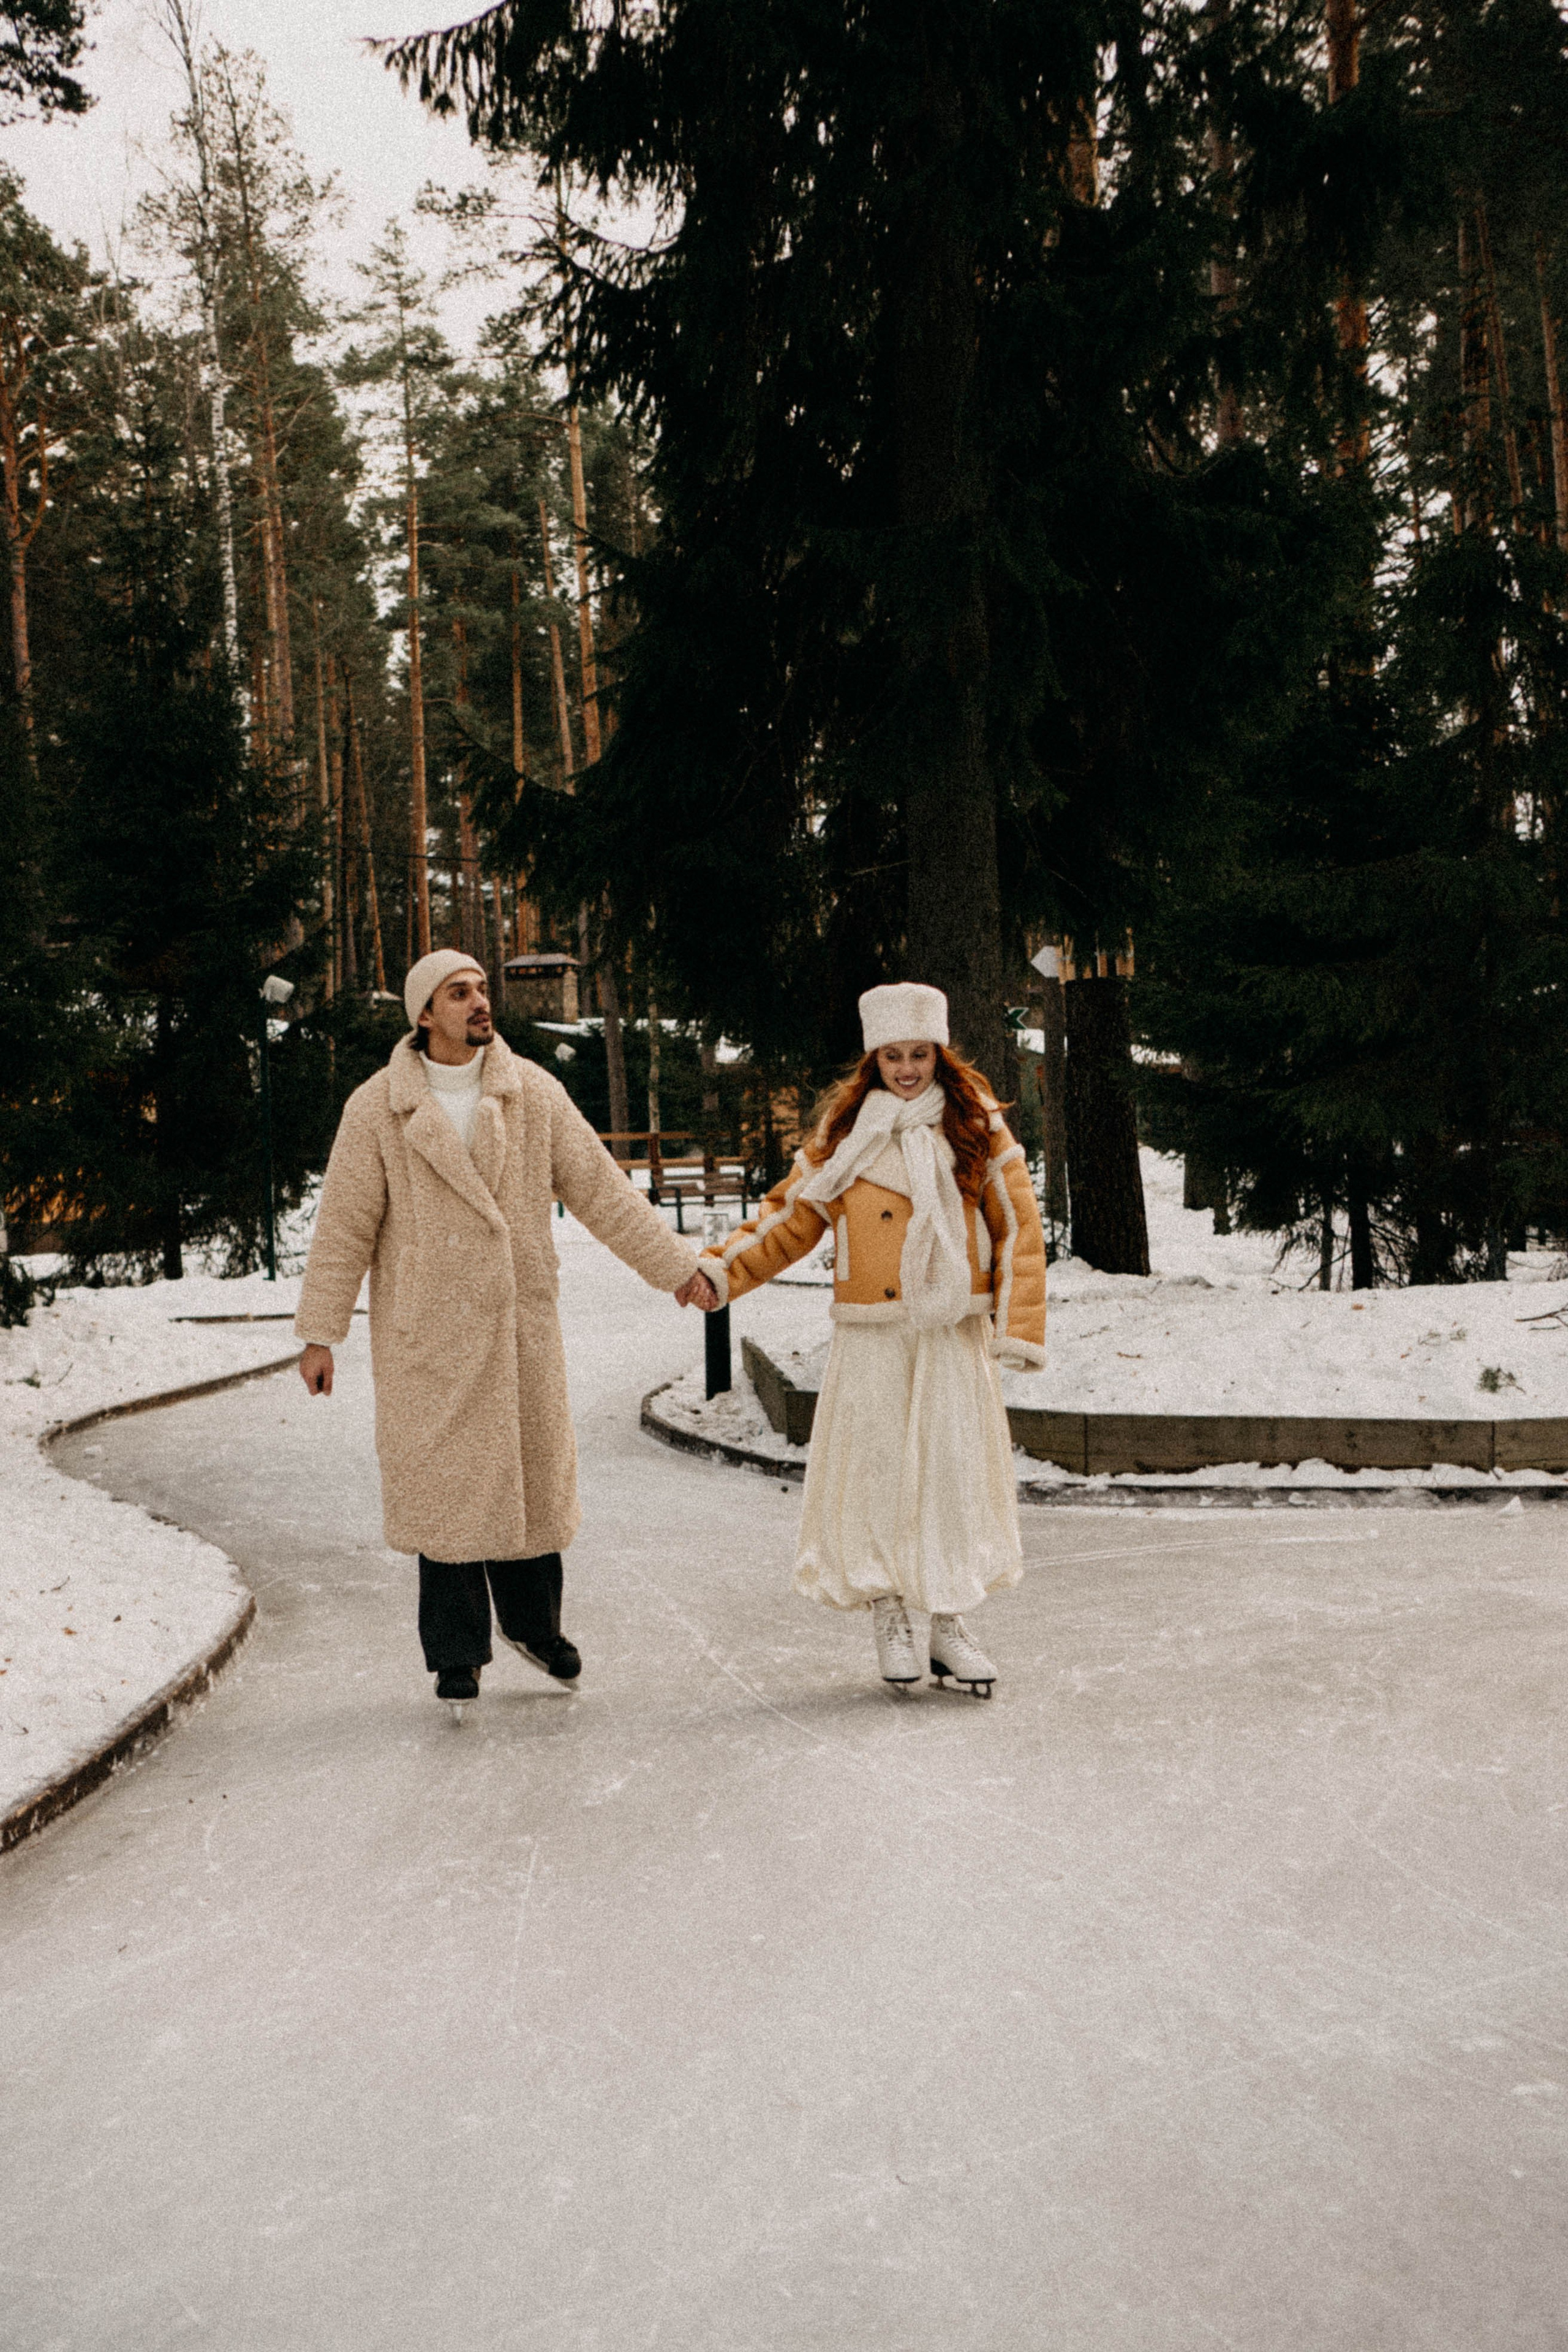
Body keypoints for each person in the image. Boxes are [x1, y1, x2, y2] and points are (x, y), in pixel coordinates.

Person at [295, 948, 713, 1719]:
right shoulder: (379, 1108)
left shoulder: (534, 1096)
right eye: (460, 994)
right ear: (426, 1015)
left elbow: (604, 1195)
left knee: (527, 1482)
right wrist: (321, 1334)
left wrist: (677, 1269)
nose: (480, 1002)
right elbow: (344, 1228)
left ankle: (535, 1629)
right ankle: (457, 1655)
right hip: (429, 1336)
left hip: (517, 1326)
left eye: (483, 989)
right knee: (446, 1499)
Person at [693, 983, 1046, 1696]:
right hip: (872, 1334)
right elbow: (788, 1220)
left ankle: (948, 1621)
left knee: (949, 1472)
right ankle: (887, 1611)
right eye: (894, 1056)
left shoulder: (977, 1127)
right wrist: (721, 1274)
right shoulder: (842, 1138)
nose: (908, 1069)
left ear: (939, 1055)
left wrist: (1017, 1328)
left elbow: (1019, 1231)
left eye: (920, 1054)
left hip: (948, 1329)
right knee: (879, 1470)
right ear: (874, 1058)